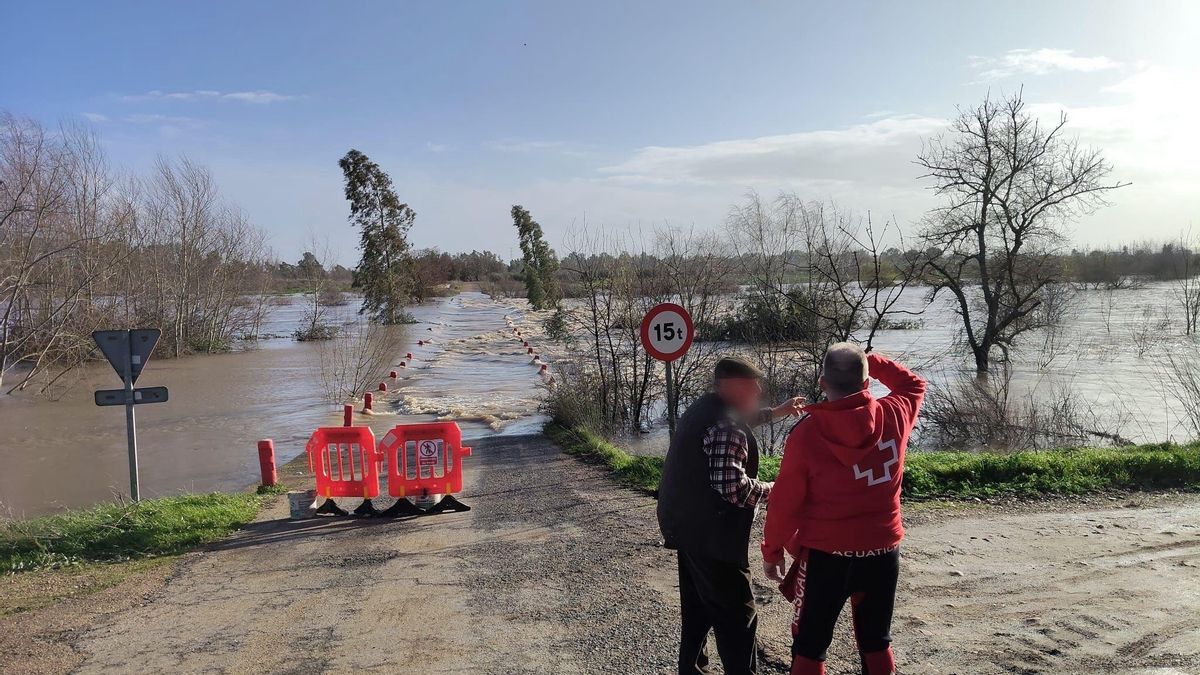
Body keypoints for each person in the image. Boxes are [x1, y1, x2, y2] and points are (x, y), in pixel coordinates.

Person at [761, 343, 926, 675]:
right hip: (882, 551)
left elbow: (785, 502)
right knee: (876, 641)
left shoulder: (806, 434)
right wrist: (873, 359)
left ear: (822, 383)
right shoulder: (895, 413)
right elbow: (913, 384)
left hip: (827, 557)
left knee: (810, 644)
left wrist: (772, 551)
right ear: (866, 383)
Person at [658, 357, 806, 675]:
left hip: (686, 527)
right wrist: (777, 490)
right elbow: (733, 489)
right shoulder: (726, 426)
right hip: (713, 538)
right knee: (739, 618)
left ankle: (691, 670)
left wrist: (778, 412)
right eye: (751, 385)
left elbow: (741, 421)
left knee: (698, 610)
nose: (758, 389)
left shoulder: (705, 408)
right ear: (733, 387)